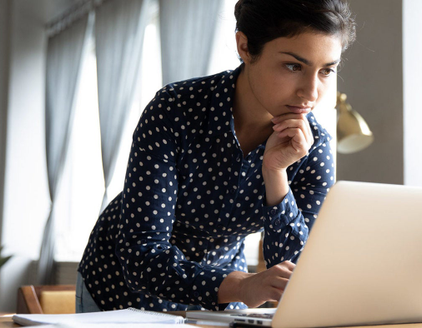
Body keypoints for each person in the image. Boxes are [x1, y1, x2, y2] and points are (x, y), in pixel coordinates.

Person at [76, 0, 356, 313]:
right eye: (293, 66)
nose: (311, 92)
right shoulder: (175, 109)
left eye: (326, 71)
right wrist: (242, 286)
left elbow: (294, 274)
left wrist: (276, 175)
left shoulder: (313, 147)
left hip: (222, 295)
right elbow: (142, 254)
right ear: (245, 47)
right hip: (121, 292)